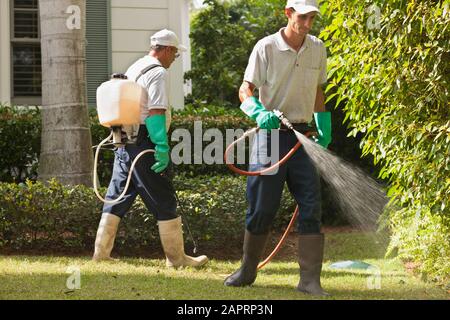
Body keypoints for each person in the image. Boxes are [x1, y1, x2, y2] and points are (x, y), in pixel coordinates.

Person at [224, 0, 332, 296]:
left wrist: (324, 124)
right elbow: (245, 89)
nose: (308, 24)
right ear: (288, 14)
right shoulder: (266, 47)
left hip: (303, 135)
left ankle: (309, 280)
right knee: (262, 206)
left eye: (312, 18)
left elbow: (318, 90)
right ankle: (247, 271)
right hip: (270, 136)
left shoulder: (317, 48)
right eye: (303, 17)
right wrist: (258, 112)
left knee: (311, 205)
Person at [93, 29, 208, 268]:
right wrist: (162, 146)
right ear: (166, 50)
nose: (173, 60)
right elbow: (156, 111)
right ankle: (177, 260)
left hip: (123, 140)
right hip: (145, 140)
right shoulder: (157, 72)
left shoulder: (135, 67)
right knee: (163, 196)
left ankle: (101, 254)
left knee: (117, 195)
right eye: (174, 55)